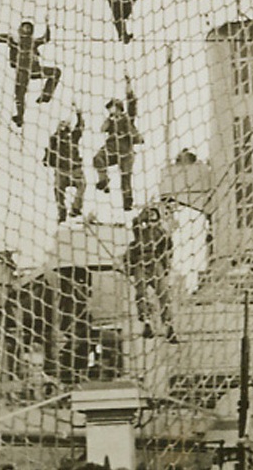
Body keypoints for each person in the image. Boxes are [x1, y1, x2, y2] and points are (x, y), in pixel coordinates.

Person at [0, 21, 61, 128]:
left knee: (56, 72)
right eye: (25, 28)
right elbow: (5, 38)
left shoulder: (33, 42)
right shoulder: (16, 40)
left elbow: (45, 38)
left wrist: (47, 25)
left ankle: (46, 95)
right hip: (22, 70)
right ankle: (20, 116)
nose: (27, 30)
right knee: (20, 93)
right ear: (21, 29)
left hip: (34, 69)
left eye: (29, 28)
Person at [124, 205, 177, 341]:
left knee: (163, 293)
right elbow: (135, 222)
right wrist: (145, 213)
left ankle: (168, 325)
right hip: (141, 262)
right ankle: (147, 322)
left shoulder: (161, 231)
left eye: (153, 216)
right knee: (141, 293)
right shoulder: (140, 232)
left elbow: (168, 245)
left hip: (155, 261)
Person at [93, 82, 143, 211]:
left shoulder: (127, 118)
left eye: (112, 107)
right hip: (112, 150)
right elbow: (101, 129)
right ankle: (103, 180)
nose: (110, 110)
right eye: (109, 108)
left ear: (119, 107)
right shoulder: (110, 121)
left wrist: (128, 84)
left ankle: (127, 201)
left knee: (125, 177)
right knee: (98, 158)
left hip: (126, 151)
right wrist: (109, 120)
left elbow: (132, 104)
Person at [43, 111, 86, 223]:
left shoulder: (73, 136)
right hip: (61, 170)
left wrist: (79, 114)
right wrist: (46, 159)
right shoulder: (55, 138)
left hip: (75, 169)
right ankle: (62, 212)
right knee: (58, 191)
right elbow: (50, 151)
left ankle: (76, 208)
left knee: (81, 185)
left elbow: (80, 127)